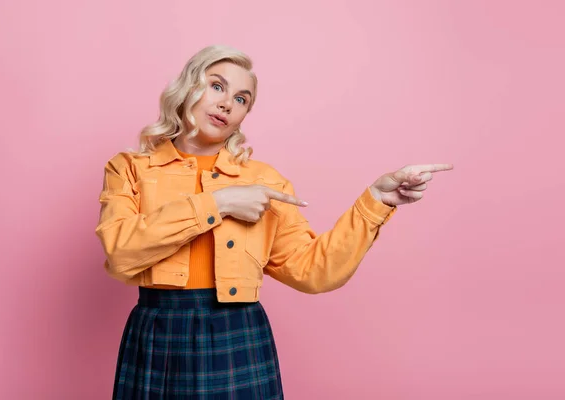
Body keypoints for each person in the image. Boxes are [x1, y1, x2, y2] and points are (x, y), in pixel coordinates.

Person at [95, 44, 453, 399]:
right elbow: (121, 253)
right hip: (159, 334)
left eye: (242, 99)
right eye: (216, 86)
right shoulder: (130, 167)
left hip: (239, 334)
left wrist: (375, 201)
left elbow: (316, 272)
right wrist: (219, 203)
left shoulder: (265, 182)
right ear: (187, 88)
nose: (226, 103)